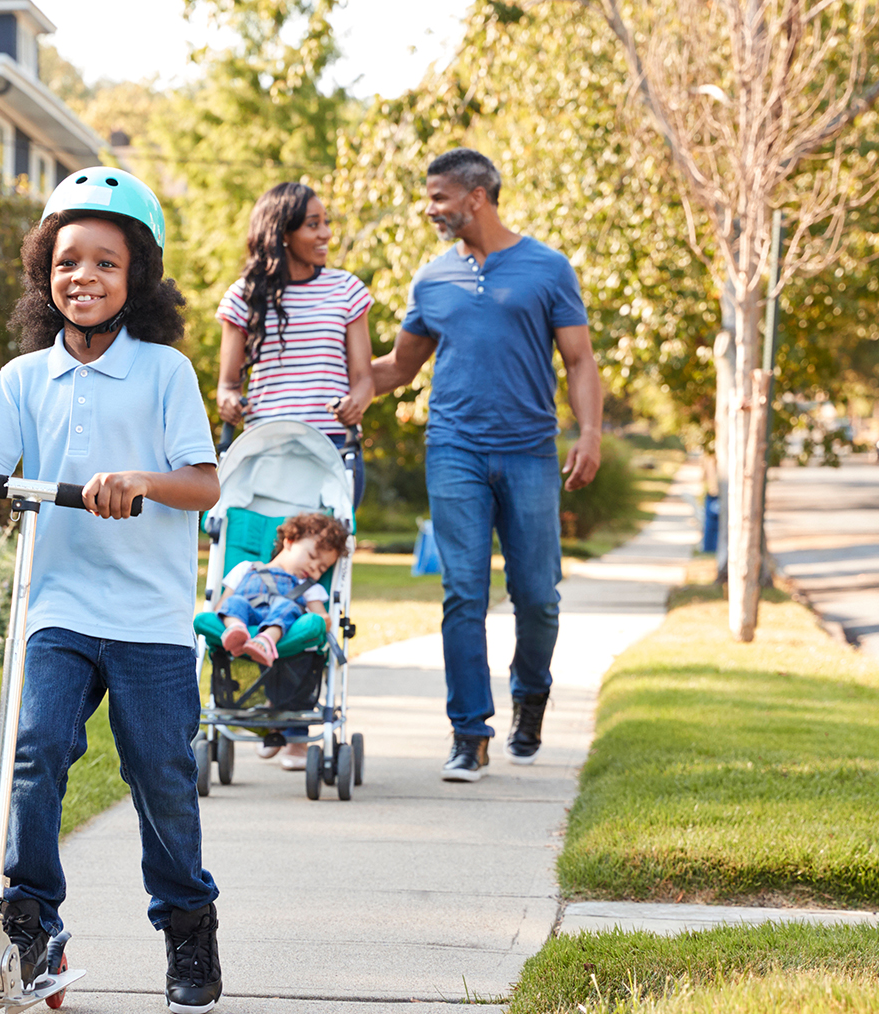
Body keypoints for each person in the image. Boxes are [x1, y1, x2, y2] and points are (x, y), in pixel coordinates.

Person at [0, 167, 225, 1014]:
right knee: (35, 751)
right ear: (43, 271)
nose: (83, 278)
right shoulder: (24, 379)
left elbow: (204, 484)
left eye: (104, 262)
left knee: (160, 773)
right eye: (67, 261)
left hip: (150, 616)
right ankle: (31, 925)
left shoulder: (165, 372)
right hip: (57, 608)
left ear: (136, 277)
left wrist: (142, 480)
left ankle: (188, 928)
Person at [369, 148, 604, 784]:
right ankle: (468, 734)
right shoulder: (431, 280)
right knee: (462, 593)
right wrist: (346, 385)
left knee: (537, 596)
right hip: (455, 448)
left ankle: (532, 696)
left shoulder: (546, 268)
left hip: (530, 450)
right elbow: (399, 366)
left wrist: (590, 434)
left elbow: (580, 361)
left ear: (477, 196)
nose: (430, 209)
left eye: (440, 196)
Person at [215, 182, 374, 507]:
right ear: (282, 234)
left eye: (326, 223)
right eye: (313, 225)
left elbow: (364, 380)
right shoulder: (243, 296)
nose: (326, 234)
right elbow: (227, 386)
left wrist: (356, 402)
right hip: (264, 450)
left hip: (332, 447)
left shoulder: (346, 290)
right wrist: (229, 400)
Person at [214, 512, 348, 771]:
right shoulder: (245, 569)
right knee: (234, 604)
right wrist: (232, 618)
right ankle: (237, 632)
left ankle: (266, 640)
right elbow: (222, 604)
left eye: (322, 569)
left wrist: (321, 618)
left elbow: (321, 617)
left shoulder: (308, 587)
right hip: (247, 621)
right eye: (311, 557)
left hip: (284, 636)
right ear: (289, 540)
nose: (314, 569)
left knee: (287, 607)